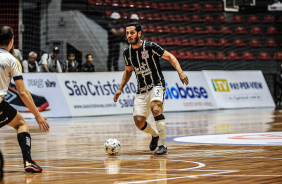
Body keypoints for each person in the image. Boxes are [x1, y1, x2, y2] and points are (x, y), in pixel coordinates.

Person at [113, 22, 189, 155]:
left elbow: (170, 56)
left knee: (155, 108)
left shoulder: (149, 46)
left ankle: (163, 145)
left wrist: (180, 72)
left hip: (156, 84)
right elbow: (128, 71)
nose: (129, 36)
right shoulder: (127, 52)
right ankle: (155, 135)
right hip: (141, 89)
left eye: (132, 33)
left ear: (139, 34)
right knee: (139, 122)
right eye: (127, 33)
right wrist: (120, 89)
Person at [0, 26, 50, 173]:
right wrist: (38, 115)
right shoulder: (12, 60)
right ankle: (28, 161)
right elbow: (22, 92)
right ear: (11, 42)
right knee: (21, 123)